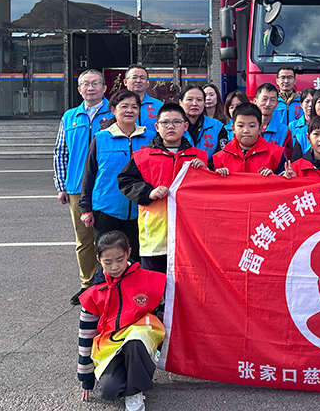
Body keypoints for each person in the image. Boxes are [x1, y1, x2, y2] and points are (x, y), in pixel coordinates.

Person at [77, 231, 166, 411]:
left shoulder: (149, 280)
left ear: (128, 253)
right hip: (112, 346)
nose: (115, 266)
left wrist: (165, 353)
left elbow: (166, 314)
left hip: (141, 341)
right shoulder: (94, 294)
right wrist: (85, 377)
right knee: (108, 390)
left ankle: (135, 391)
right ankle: (130, 375)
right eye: (108, 262)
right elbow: (85, 336)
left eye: (120, 259)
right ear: (98, 259)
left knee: (135, 341)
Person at [118, 103, 208, 274]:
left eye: (176, 122)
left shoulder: (199, 157)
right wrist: (148, 192)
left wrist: (206, 172)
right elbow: (126, 181)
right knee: (155, 282)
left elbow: (210, 190)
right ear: (157, 127)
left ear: (185, 126)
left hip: (190, 235)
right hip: (155, 235)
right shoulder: (142, 157)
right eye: (165, 122)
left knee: (187, 282)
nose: (171, 126)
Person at [54, 69, 113, 305]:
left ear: (104, 88)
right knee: (84, 240)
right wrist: (61, 185)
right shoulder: (70, 117)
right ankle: (87, 285)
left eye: (95, 83)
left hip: (107, 187)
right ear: (79, 90)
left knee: (110, 238)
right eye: (85, 84)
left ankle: (111, 282)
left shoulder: (114, 112)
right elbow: (61, 152)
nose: (90, 88)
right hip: (77, 188)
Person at [79, 88, 150, 265]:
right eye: (124, 106)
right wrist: (86, 208)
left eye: (134, 107)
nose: (129, 110)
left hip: (140, 211)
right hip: (106, 210)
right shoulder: (101, 138)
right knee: (108, 259)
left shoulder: (150, 138)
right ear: (113, 110)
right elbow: (89, 174)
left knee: (135, 260)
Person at [213, 103, 287, 176]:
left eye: (252, 126)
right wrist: (218, 175)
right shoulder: (219, 158)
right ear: (233, 128)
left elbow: (286, 180)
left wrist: (274, 177)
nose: (246, 130)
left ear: (260, 129)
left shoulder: (277, 154)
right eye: (240, 126)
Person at [179, 84, 228, 159]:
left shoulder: (217, 126)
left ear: (204, 102)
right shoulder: (173, 125)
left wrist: (205, 164)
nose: (194, 104)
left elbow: (222, 156)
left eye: (199, 100)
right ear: (180, 102)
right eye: (189, 99)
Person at [123, 65, 162, 143]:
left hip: (152, 148)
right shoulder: (117, 106)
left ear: (147, 83)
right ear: (125, 82)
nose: (138, 81)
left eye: (142, 78)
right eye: (134, 77)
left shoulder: (159, 106)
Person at [254, 83, 293, 154]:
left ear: (277, 104)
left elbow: (287, 157)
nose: (268, 104)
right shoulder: (246, 128)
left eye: (272, 100)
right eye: (264, 99)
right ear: (255, 101)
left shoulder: (284, 131)